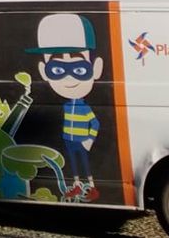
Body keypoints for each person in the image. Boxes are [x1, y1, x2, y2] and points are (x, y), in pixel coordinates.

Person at [26, 13, 104, 202]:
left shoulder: (84, 106)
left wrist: (89, 140)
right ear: (44, 71)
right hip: (69, 139)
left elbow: (95, 123)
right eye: (58, 70)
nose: (69, 78)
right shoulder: (67, 105)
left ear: (97, 68)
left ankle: (91, 187)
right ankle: (77, 186)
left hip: (81, 141)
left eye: (79, 69)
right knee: (74, 166)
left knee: (84, 164)